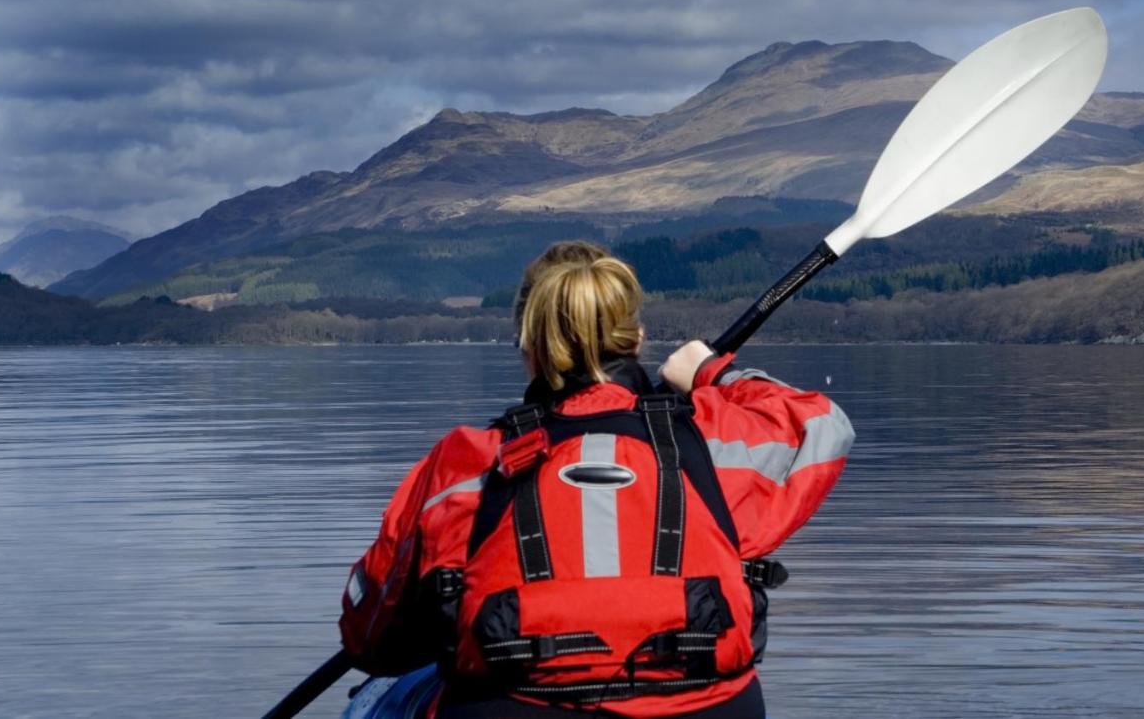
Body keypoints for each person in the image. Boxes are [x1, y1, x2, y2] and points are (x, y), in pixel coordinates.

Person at [339, 241, 854, 718]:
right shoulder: (712, 445)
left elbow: (369, 637)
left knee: (380, 694)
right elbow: (824, 426)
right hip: (706, 709)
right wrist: (709, 371)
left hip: (518, 706)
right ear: (638, 337)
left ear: (528, 344)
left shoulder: (467, 462)